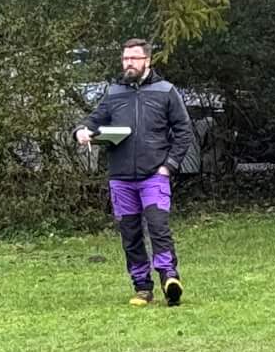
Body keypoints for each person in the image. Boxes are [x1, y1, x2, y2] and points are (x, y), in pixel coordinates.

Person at [74, 40, 196, 306]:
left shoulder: (166, 91)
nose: (128, 63)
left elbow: (184, 131)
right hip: (120, 178)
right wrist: (81, 131)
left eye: (134, 58)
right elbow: (92, 120)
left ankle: (169, 279)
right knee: (130, 234)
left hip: (154, 175)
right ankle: (142, 288)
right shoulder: (114, 92)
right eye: (125, 58)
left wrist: (169, 165)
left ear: (147, 61)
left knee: (158, 228)